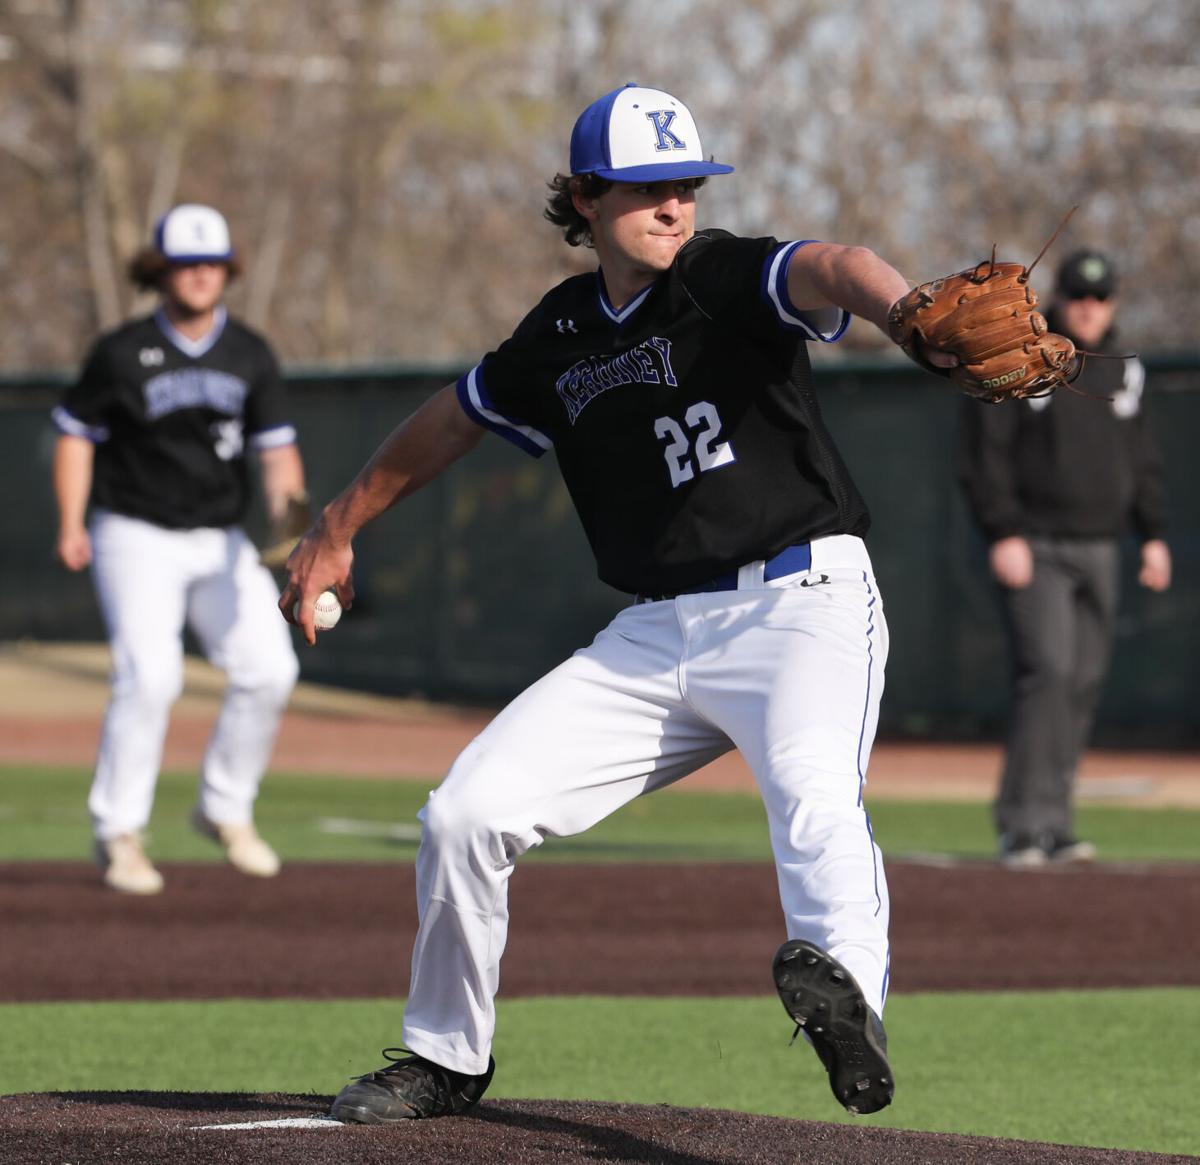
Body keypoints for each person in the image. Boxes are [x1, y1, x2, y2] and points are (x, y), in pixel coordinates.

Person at [283, 83, 948, 1121]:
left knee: (815, 797)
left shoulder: (721, 273)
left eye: (686, 183)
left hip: (799, 603)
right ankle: (446, 1055)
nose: (674, 205)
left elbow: (833, 265)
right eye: (647, 188)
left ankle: (850, 995)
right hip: (656, 630)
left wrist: (903, 305)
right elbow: (450, 423)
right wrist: (337, 524)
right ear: (587, 198)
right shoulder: (557, 332)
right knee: (466, 813)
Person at [52, 203, 305, 895]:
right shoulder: (122, 351)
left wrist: (294, 531)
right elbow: (75, 433)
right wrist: (71, 520)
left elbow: (278, 456)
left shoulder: (250, 353)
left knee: (269, 667)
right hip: (133, 533)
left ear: (228, 270)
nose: (200, 274)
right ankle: (119, 831)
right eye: (186, 262)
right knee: (151, 675)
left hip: (217, 539)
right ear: (160, 269)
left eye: (212, 263)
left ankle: (223, 807)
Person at [958, 248, 1171, 868]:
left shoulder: (1124, 369)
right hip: (1039, 546)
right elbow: (986, 451)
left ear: (1114, 304)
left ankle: (1055, 823)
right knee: (1047, 673)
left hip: (1103, 545)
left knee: (1080, 683)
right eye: (1079, 295)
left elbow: (1144, 459)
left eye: (1100, 298)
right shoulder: (1025, 355)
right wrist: (1002, 531)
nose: (1089, 307)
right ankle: (1021, 825)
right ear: (1060, 297)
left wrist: (1153, 534)